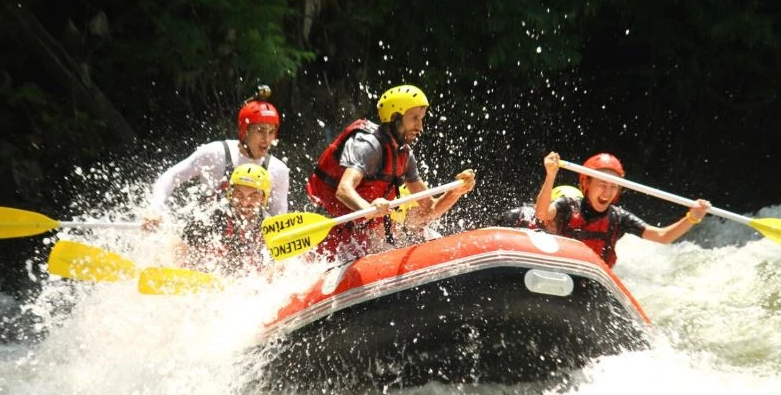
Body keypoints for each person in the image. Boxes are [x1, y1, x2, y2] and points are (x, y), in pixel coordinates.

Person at [306, 84, 476, 261]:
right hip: (330, 230)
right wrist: (369, 209)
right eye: (414, 118)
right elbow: (343, 190)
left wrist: (455, 193)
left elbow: (429, 210)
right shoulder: (368, 146)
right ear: (395, 118)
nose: (420, 127)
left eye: (422, 119)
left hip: (361, 235)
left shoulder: (405, 156)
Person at [535, 151, 711, 267]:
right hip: (560, 270)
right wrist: (551, 174)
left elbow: (662, 237)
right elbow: (542, 214)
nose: (607, 192)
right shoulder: (568, 205)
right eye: (602, 184)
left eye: (613, 187)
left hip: (592, 281)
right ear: (586, 183)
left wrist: (692, 217)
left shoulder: (619, 218)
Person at [144, 89, 289, 228]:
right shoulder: (215, 153)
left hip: (248, 242)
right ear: (245, 131)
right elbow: (171, 177)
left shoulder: (278, 170)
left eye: (271, 132)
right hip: (205, 234)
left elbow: (279, 218)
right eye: (260, 130)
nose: (267, 138)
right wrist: (155, 208)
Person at [175, 163, 271, 274]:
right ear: (230, 194)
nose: (245, 202)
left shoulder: (270, 227)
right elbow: (180, 250)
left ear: (263, 199)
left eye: (253, 197)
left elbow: (280, 267)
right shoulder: (211, 219)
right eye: (239, 195)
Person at [494, 185, 583, 232]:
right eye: (556, 215)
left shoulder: (575, 230)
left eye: (562, 218)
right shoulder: (523, 216)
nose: (552, 222)